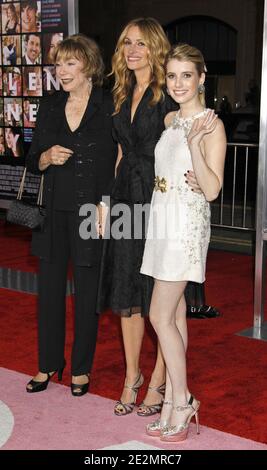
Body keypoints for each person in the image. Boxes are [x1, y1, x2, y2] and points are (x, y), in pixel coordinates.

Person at [97, 18, 211, 418]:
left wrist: (202, 168)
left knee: (161, 299)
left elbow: (186, 127)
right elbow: (119, 153)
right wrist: (107, 200)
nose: (132, 50)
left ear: (156, 48)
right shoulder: (121, 91)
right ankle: (132, 376)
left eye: (142, 43)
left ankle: (161, 383)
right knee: (127, 294)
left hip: (159, 200)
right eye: (127, 43)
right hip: (126, 196)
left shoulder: (168, 96)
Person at [141, 43, 226, 441]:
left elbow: (211, 189)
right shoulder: (170, 118)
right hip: (162, 219)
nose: (178, 83)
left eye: (186, 75)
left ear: (202, 78)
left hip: (184, 227)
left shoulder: (211, 124)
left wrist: (195, 145)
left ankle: (183, 399)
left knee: (158, 316)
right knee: (173, 318)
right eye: (172, 75)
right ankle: (176, 399)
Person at [25, 34, 117, 396]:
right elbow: (33, 158)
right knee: (48, 293)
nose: (61, 71)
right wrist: (45, 158)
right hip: (51, 212)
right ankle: (48, 364)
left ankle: (81, 368)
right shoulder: (49, 105)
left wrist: (106, 204)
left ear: (88, 65)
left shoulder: (108, 105)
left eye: (69, 63)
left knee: (87, 293)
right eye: (58, 64)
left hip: (90, 212)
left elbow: (116, 162)